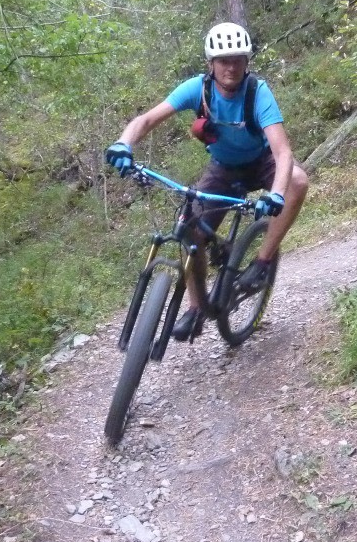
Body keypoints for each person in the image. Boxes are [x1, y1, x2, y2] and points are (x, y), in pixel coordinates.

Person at [105, 22, 308, 341]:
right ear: (211, 63)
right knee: (191, 228)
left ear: (246, 61)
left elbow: (282, 153)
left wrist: (277, 194)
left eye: (238, 59)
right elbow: (145, 120)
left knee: (297, 180)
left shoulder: (257, 93)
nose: (231, 66)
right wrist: (123, 143)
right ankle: (196, 308)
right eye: (223, 60)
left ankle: (263, 261)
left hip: (261, 162)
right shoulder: (196, 89)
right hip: (224, 167)